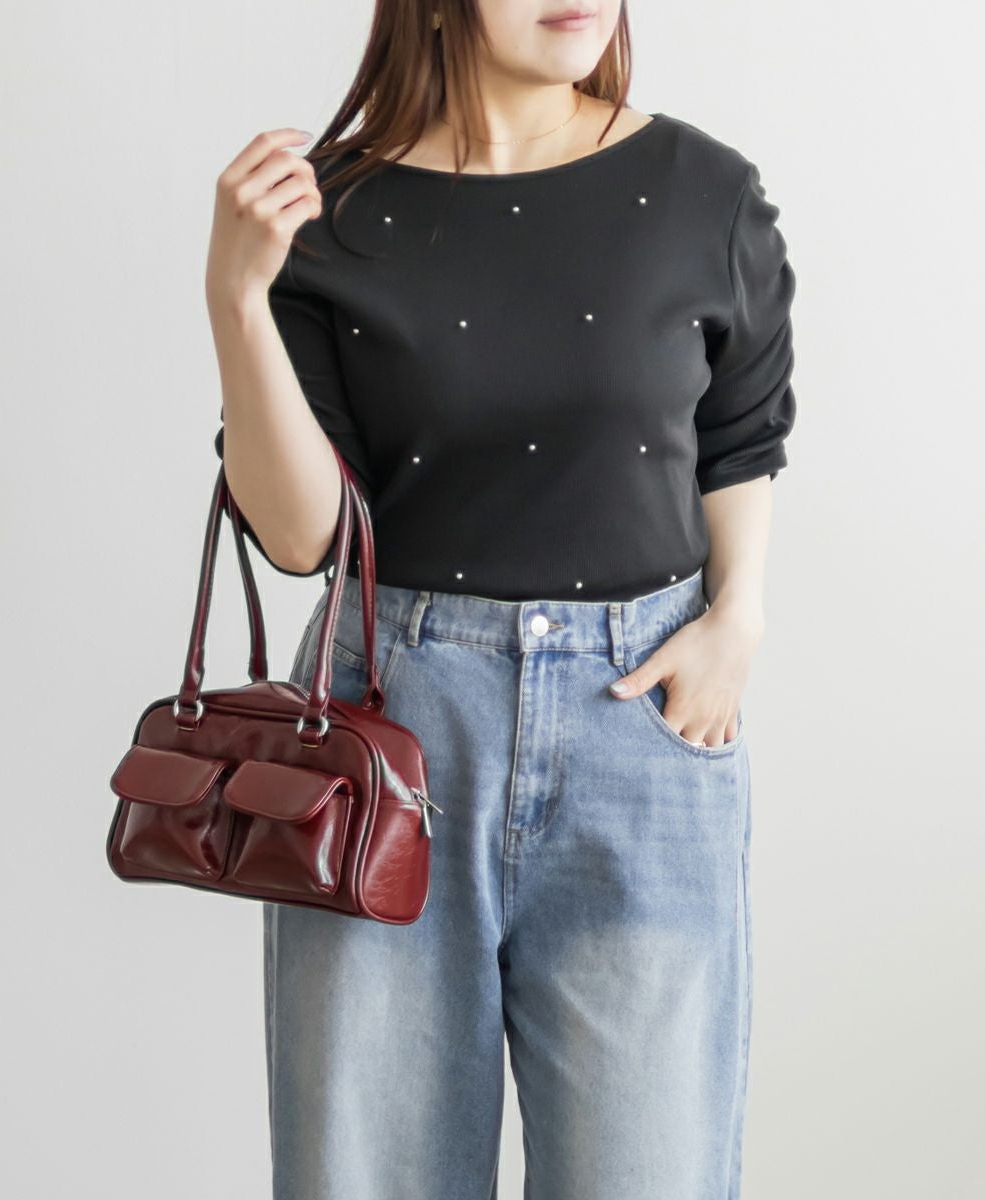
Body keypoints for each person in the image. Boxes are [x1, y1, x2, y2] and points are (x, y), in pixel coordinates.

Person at [205, 3, 796, 1197]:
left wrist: (736, 622)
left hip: (642, 731)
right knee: (369, 1174)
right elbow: (302, 534)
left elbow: (739, 433)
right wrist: (237, 298)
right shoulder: (332, 213)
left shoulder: (703, 191)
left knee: (652, 1173)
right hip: (391, 725)